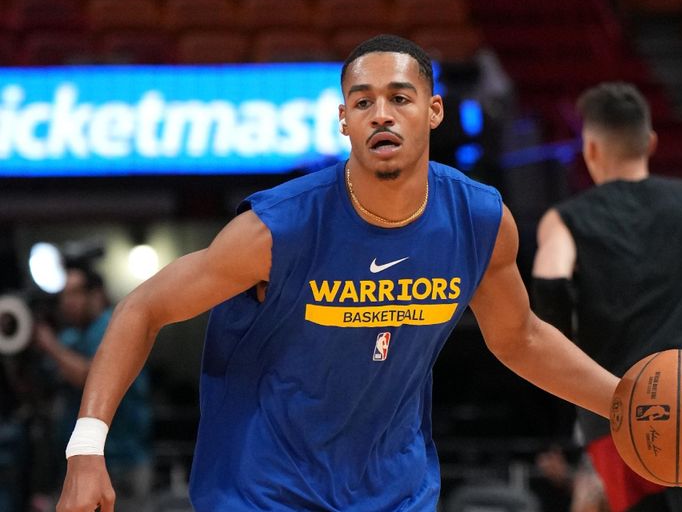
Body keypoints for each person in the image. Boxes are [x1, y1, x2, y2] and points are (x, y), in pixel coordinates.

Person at [55, 34, 621, 512]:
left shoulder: (480, 219)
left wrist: (623, 404)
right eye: (363, 101)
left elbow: (519, 336)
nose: (381, 113)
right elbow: (142, 307)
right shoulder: (279, 229)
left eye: (400, 97)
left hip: (392, 490)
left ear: (434, 112)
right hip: (262, 488)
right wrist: (86, 448)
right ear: (344, 121)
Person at [532, 82, 682, 512]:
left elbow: (549, 289)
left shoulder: (566, 219)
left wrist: (572, 368)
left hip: (620, 407)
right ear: (649, 143)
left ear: (590, 149)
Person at [36, 262, 153, 512]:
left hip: (121, 461)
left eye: (74, 293)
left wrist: (50, 346)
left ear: (96, 294)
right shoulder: (71, 337)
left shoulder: (115, 326)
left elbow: (91, 376)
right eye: (63, 295)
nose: (67, 302)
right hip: (75, 463)